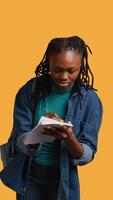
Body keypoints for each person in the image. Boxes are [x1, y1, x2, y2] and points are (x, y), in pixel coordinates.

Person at [0, 36, 103, 200]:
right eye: (57, 69)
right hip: (30, 174)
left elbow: (87, 154)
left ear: (81, 67)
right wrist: (39, 132)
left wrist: (70, 138)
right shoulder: (30, 91)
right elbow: (17, 140)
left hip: (63, 177)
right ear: (48, 63)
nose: (64, 76)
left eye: (71, 70)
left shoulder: (90, 101)